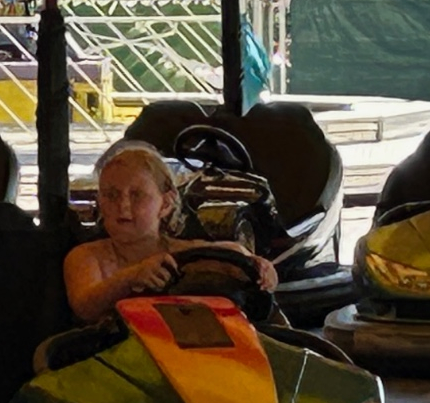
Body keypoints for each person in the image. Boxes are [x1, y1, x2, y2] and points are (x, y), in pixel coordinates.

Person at [63, 139, 276, 324]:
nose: (123, 206)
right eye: (111, 195)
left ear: (165, 204)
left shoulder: (190, 253)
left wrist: (262, 270)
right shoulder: (87, 257)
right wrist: (131, 278)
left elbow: (236, 257)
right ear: (100, 201)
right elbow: (84, 307)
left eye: (137, 195)